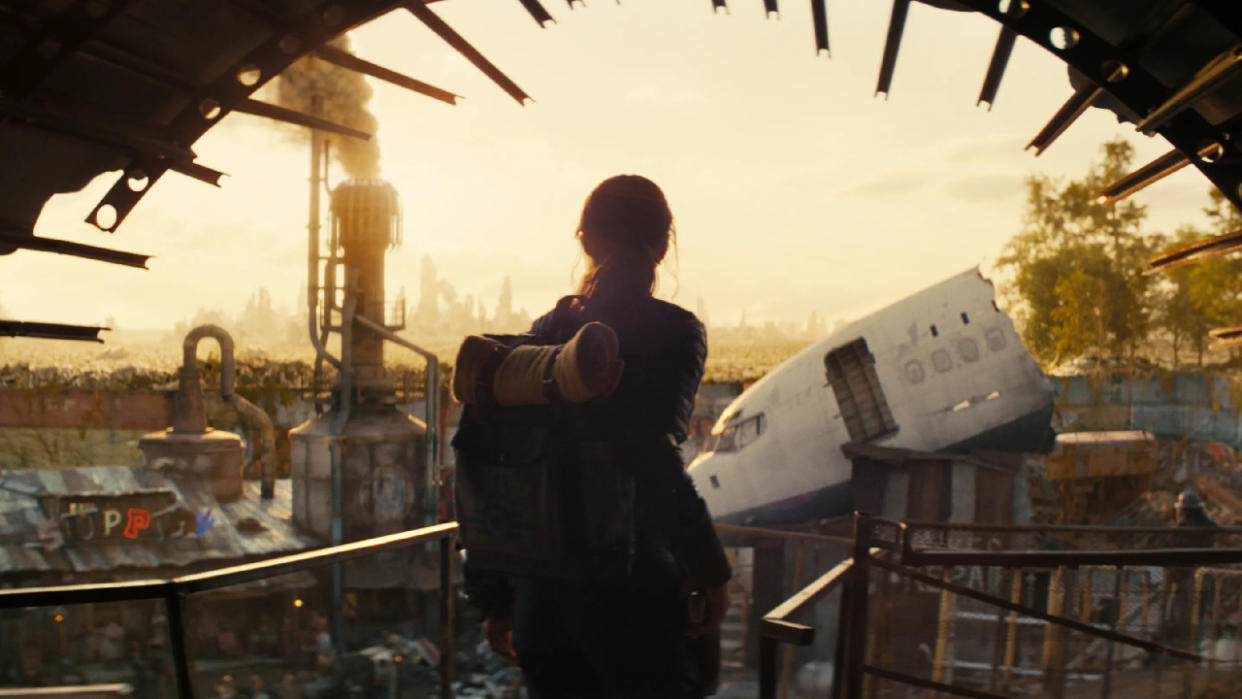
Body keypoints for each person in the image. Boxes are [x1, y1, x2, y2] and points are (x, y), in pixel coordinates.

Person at [465, 174, 732, 698]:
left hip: (541, 597)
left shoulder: (543, 332)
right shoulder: (675, 330)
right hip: (632, 594)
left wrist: (498, 599)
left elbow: (504, 469)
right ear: (662, 245)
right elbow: (650, 461)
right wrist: (711, 571)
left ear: (584, 240)